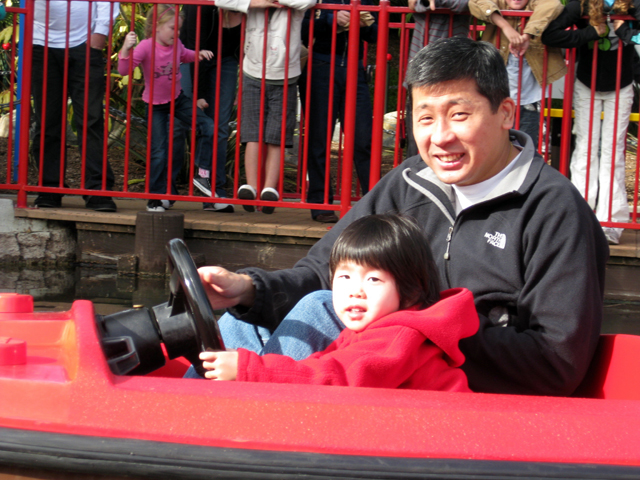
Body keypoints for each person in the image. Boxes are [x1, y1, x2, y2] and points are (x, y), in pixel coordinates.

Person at [194, 37, 609, 397]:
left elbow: (556, 363)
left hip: (452, 400)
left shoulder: (552, 209)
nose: (440, 136)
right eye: (426, 118)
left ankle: (234, 433)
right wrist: (248, 289)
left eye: (459, 115)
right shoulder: (408, 183)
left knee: (321, 308)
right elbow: (326, 271)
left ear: (505, 112)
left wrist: (412, 333)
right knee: (241, 322)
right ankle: (187, 423)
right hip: (366, 366)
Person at [197, 214, 478, 392]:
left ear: (411, 291)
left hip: (434, 440)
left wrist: (250, 369)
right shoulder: (371, 327)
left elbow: (338, 377)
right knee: (237, 320)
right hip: (397, 428)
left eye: (374, 280)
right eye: (344, 276)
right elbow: (326, 361)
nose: (355, 291)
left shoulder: (400, 335)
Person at [542, 0, 639, 245]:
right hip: (587, 84)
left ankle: (611, 223)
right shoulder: (582, 5)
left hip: (621, 85)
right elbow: (549, 34)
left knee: (612, 151)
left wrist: (624, 29)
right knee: (585, 150)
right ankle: (581, 217)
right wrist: (590, 33)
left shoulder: (633, 3)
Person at [215, 0, 316, 215]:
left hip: (285, 73)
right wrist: (254, 2)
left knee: (276, 136)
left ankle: (270, 189)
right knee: (252, 134)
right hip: (253, 70)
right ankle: (251, 187)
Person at [118, 5, 215, 212]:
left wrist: (197, 54)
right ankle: (155, 198)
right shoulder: (145, 46)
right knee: (159, 152)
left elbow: (184, 54)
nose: (177, 33)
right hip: (155, 106)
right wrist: (126, 48)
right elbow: (124, 69)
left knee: (208, 125)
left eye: (179, 29)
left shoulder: (176, 43)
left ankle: (202, 174)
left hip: (177, 99)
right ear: (156, 27)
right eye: (172, 28)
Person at [31, 0, 119, 212]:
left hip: (84, 44)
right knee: (48, 120)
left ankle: (98, 191)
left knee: (92, 118)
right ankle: (49, 188)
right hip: (41, 43)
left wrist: (101, 32)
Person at [298, 0, 377, 223]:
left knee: (363, 139)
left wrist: (363, 23)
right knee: (319, 138)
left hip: (355, 69)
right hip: (320, 67)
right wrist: (331, 19)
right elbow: (302, 29)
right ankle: (320, 203)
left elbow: (377, 35)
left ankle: (373, 202)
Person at [172, 4, 243, 213]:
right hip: (191, 56)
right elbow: (195, 48)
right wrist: (199, 95)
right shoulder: (203, 7)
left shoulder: (251, 8)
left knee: (219, 127)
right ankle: (165, 190)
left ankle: (214, 191)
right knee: (179, 123)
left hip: (227, 61)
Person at [469, 0, 566, 148]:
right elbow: (475, 2)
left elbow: (553, 4)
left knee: (526, 145)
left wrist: (527, 34)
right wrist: (505, 26)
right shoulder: (499, 4)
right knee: (493, 146)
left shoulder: (535, 4)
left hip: (529, 99)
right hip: (495, 97)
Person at [404, 0, 470, 159]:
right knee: (416, 141)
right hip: (420, 74)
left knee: (450, 137)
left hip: (452, 75)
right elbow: (415, 4)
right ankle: (416, 180)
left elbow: (466, 4)